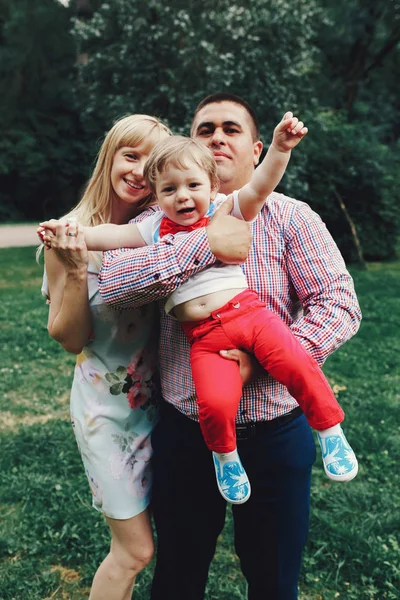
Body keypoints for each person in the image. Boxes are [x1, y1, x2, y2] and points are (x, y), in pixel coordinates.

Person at [97, 93, 362, 599]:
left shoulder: (291, 217)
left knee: (273, 578)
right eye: (204, 129)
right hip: (186, 429)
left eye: (231, 129)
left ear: (258, 149)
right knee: (177, 574)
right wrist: (205, 244)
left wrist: (263, 360)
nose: (216, 137)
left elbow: (339, 304)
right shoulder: (160, 221)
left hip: (275, 432)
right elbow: (116, 285)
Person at [41, 113, 357, 508]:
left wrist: (281, 148)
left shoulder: (228, 208)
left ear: (211, 181)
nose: (183, 196)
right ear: (157, 192)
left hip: (251, 319)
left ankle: (330, 430)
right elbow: (112, 259)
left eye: (231, 129)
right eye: (170, 188)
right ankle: (225, 457)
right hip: (203, 341)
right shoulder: (153, 225)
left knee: (295, 363)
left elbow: (262, 186)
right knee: (214, 400)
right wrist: (72, 233)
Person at [38, 114, 173, 600]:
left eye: (151, 162)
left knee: (167, 541)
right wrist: (75, 271)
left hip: (168, 405)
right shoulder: (68, 233)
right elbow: (68, 337)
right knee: (134, 551)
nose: (139, 171)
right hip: (107, 414)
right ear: (110, 157)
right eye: (130, 155)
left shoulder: (162, 227)